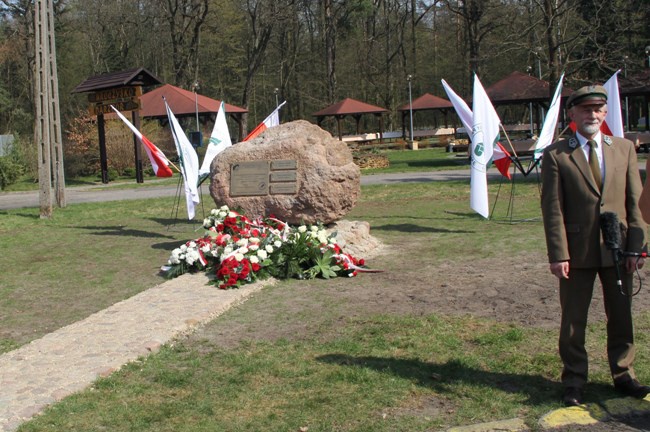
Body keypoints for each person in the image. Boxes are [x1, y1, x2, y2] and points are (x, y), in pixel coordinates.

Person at [541, 84, 649, 407]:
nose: (592, 115)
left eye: (597, 109)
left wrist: (636, 248)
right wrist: (558, 254)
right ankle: (574, 380)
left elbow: (635, 203)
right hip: (577, 253)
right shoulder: (557, 154)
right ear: (572, 114)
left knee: (621, 315)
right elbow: (553, 208)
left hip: (618, 250)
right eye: (585, 110)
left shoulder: (624, 149)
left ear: (605, 113)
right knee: (573, 320)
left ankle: (623, 373)